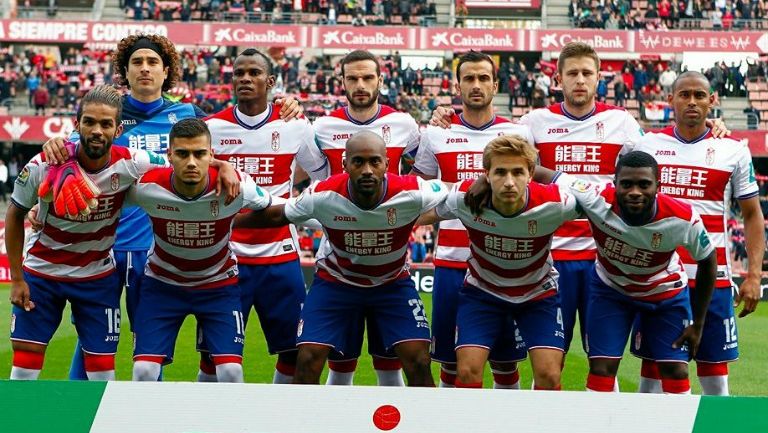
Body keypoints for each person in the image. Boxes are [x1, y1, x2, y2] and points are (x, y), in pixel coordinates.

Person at [40, 34, 300, 381]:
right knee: (92, 338)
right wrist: (56, 145)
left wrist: (225, 164)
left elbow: (211, 147)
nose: (145, 69)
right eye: (137, 62)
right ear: (125, 71)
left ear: (167, 72)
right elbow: (70, 157)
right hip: (102, 246)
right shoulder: (108, 116)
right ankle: (80, 414)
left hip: (151, 250)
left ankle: (148, 419)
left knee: (148, 350)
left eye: (153, 63)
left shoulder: (188, 114)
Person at [431, 43, 645, 388]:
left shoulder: (621, 122)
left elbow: (650, 166)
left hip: (602, 257)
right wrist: (445, 119)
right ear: (557, 78)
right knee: (548, 363)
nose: (579, 80)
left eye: (586, 73)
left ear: (599, 78)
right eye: (572, 73)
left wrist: (714, 126)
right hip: (550, 255)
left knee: (603, 361)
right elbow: (504, 159)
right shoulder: (532, 123)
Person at [235, 131, 445, 386]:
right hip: (336, 283)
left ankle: (423, 426)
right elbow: (277, 215)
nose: (367, 170)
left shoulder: (414, 191)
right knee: (308, 358)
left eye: (374, 162)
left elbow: (457, 199)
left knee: (419, 360)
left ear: (387, 165)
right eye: (358, 162)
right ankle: (300, 425)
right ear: (345, 164)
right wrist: (224, 222)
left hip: (392, 284)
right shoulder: (322, 194)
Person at [6, 86, 168, 380]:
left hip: (96, 278)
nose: (97, 130)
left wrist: (219, 166)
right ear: (76, 125)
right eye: (90, 122)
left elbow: (181, 166)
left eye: (106, 124)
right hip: (42, 275)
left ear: (118, 129)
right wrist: (17, 278)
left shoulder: (133, 163)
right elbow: (15, 214)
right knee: (24, 372)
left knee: (102, 375)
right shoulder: (43, 166)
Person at [629, 71, 764, 395]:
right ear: (671, 100)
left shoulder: (733, 150)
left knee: (715, 380)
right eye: (684, 95)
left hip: (712, 279)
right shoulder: (648, 145)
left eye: (699, 96)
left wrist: (754, 275)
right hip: (657, 279)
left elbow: (752, 214)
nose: (692, 102)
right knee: (652, 377)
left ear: (712, 101)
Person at [198, 48, 328, 384]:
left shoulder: (294, 126)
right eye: (238, 72)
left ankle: (277, 418)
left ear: (270, 81)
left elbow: (321, 174)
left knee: (294, 352)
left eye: (254, 72)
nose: (245, 78)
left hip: (280, 255)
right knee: (214, 357)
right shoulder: (212, 129)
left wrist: (300, 206)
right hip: (226, 256)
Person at [412, 51, 534, 389]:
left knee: (506, 365)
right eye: (469, 78)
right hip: (453, 263)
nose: (476, 85)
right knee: (451, 367)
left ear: (495, 85)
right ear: (457, 85)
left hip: (504, 265)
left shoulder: (519, 134)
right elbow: (416, 195)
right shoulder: (435, 134)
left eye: (483, 78)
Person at [550, 152, 717, 394]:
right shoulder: (594, 196)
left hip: (665, 294)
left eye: (644, 184)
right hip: (611, 291)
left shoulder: (682, 218)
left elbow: (708, 260)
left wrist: (698, 323)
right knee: (601, 368)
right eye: (626, 184)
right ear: (614, 183)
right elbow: (547, 174)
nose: (635, 191)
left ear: (658, 186)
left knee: (676, 371)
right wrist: (486, 180)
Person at [418, 135, 577, 390]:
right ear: (487, 174)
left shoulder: (556, 203)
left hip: (537, 294)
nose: (509, 182)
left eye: (518, 172)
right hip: (483, 292)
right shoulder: (465, 198)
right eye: (500, 172)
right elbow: (420, 214)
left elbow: (603, 208)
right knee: (467, 371)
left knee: (549, 374)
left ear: (531, 173)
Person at [129, 119, 272, 383]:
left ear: (212, 155)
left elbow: (278, 206)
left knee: (231, 372)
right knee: (144, 371)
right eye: (183, 154)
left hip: (218, 286)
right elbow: (105, 194)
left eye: (199, 154)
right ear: (169, 155)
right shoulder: (146, 187)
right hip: (162, 285)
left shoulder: (237, 186)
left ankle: (226, 425)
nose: (192, 162)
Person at [313, 50, 420, 386]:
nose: (360, 85)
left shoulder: (405, 125)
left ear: (380, 80)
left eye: (367, 78)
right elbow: (318, 184)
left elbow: (417, 177)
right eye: (352, 78)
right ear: (341, 81)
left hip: (390, 257)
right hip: (338, 255)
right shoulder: (321, 127)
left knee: (392, 362)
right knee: (339, 361)